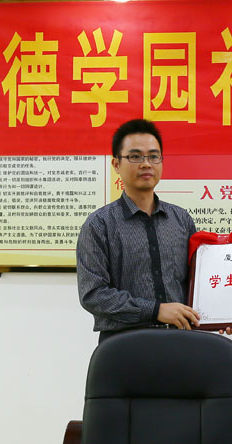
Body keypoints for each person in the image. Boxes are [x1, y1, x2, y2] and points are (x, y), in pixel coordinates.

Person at [77, 118, 200, 343]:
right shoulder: (99, 225)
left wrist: (222, 316)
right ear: (116, 164)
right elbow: (94, 295)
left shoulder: (181, 220)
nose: (146, 164)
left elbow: (197, 282)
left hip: (180, 341)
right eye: (135, 156)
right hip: (124, 344)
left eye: (153, 156)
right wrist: (155, 310)